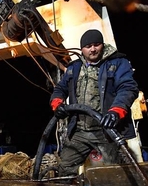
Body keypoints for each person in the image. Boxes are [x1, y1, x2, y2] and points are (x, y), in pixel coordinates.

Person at [49, 29, 139, 177]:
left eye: (96, 44)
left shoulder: (117, 63)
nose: (93, 49)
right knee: (65, 166)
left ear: (102, 45)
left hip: (106, 131)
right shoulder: (74, 67)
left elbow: (128, 88)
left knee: (113, 172)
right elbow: (60, 89)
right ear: (82, 49)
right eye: (88, 46)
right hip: (79, 131)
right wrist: (57, 104)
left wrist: (116, 112)